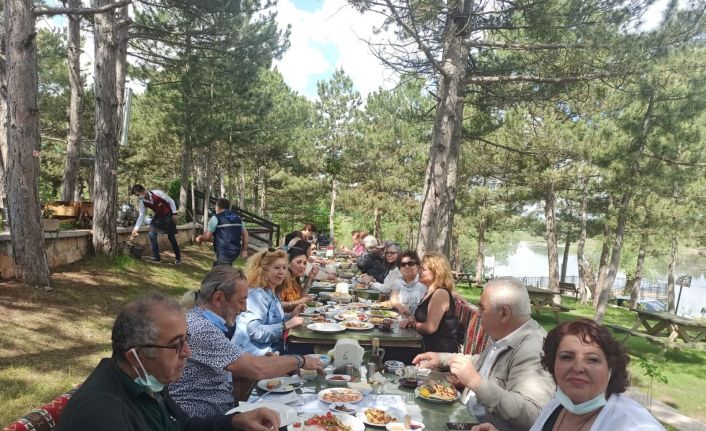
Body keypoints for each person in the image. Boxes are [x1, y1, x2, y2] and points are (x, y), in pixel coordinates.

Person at [57, 293, 280, 431]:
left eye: (186, 339)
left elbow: (183, 426)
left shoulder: (148, 380)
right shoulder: (102, 413)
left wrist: (235, 422)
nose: (187, 352)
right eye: (176, 345)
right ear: (135, 356)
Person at [170, 266, 322, 416]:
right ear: (218, 298)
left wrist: (268, 364)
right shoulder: (202, 329)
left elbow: (217, 376)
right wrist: (300, 360)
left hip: (218, 411)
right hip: (202, 419)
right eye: (241, 301)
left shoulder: (201, 319)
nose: (244, 308)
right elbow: (257, 368)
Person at [413, 276, 555, 431]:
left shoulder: (533, 347)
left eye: (482, 308)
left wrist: (475, 382)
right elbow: (485, 361)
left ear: (504, 313)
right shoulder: (506, 336)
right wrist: (441, 358)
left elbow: (532, 414)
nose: (478, 314)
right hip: (464, 416)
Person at [472, 319, 664, 431]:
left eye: (592, 359)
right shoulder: (557, 406)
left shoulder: (633, 426)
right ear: (553, 364)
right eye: (567, 357)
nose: (578, 367)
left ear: (611, 368)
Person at [234, 249, 305, 355]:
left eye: (284, 268)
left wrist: (291, 315)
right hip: (251, 355)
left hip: (270, 350)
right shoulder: (257, 295)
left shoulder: (272, 292)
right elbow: (255, 331)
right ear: (263, 270)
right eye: (277, 268)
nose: (281, 272)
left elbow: (273, 319)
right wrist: (286, 325)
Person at [400, 251, 461, 353]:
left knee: (387, 352)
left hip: (438, 350)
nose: (419, 272)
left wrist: (413, 323)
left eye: (423, 269)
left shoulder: (440, 293)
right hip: (424, 344)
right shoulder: (429, 292)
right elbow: (423, 318)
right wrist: (412, 318)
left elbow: (430, 328)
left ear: (437, 272)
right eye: (419, 268)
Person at [131, 184, 181, 265]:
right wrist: (135, 229)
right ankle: (156, 257)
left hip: (169, 215)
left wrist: (174, 214)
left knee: (171, 237)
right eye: (137, 195)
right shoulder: (142, 202)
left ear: (143, 191)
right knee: (151, 233)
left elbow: (171, 201)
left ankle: (178, 258)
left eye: (139, 194)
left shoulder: (157, 193)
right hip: (159, 216)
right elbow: (141, 216)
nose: (139, 196)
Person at [195, 198, 249, 266]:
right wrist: (244, 250)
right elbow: (246, 235)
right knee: (226, 267)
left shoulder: (216, 218)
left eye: (215, 207)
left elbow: (207, 237)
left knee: (219, 270)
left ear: (218, 208)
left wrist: (200, 238)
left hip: (223, 252)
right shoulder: (238, 218)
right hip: (235, 252)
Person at [278, 246, 318, 311]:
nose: (302, 266)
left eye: (305, 263)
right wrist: (298, 302)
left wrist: (309, 278)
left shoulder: (295, 279)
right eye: (298, 262)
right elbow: (276, 305)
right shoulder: (282, 279)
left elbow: (302, 298)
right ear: (288, 263)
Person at [390, 250, 427, 316]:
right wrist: (400, 307)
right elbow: (393, 299)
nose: (407, 266)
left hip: (418, 320)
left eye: (411, 263)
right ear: (399, 269)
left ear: (418, 267)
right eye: (403, 264)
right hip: (401, 319)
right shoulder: (397, 282)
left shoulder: (424, 282)